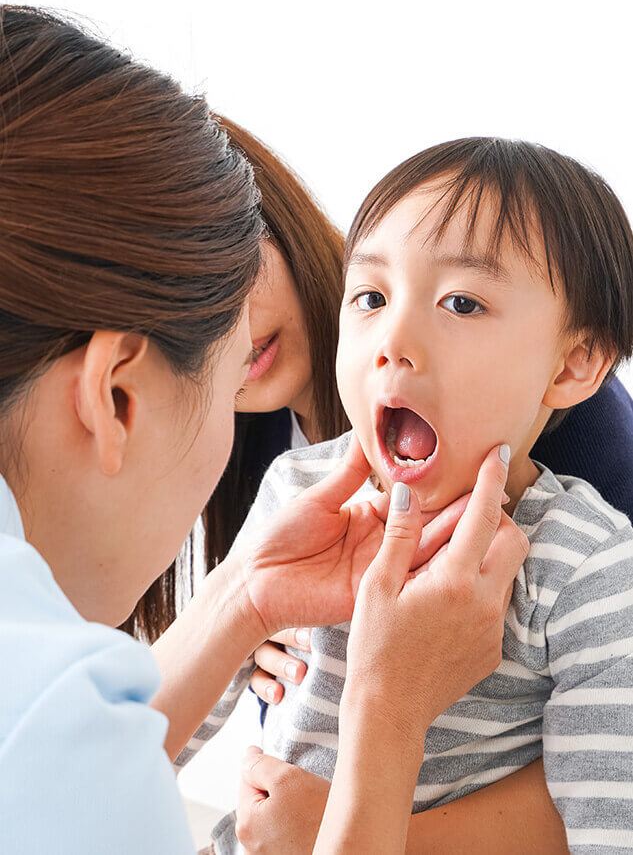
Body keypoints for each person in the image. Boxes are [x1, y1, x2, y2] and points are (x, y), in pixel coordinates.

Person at [0, 7, 528, 855]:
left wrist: (247, 596)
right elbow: (74, 755)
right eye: (224, 363)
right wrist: (383, 712)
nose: (398, 344)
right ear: (116, 396)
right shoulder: (51, 730)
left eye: (461, 302)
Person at [177, 122, 633, 849]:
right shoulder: (294, 484)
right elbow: (131, 739)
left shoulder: (585, 563)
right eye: (369, 296)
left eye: (460, 303)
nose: (392, 336)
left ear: (572, 364)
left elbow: (605, 827)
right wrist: (239, 608)